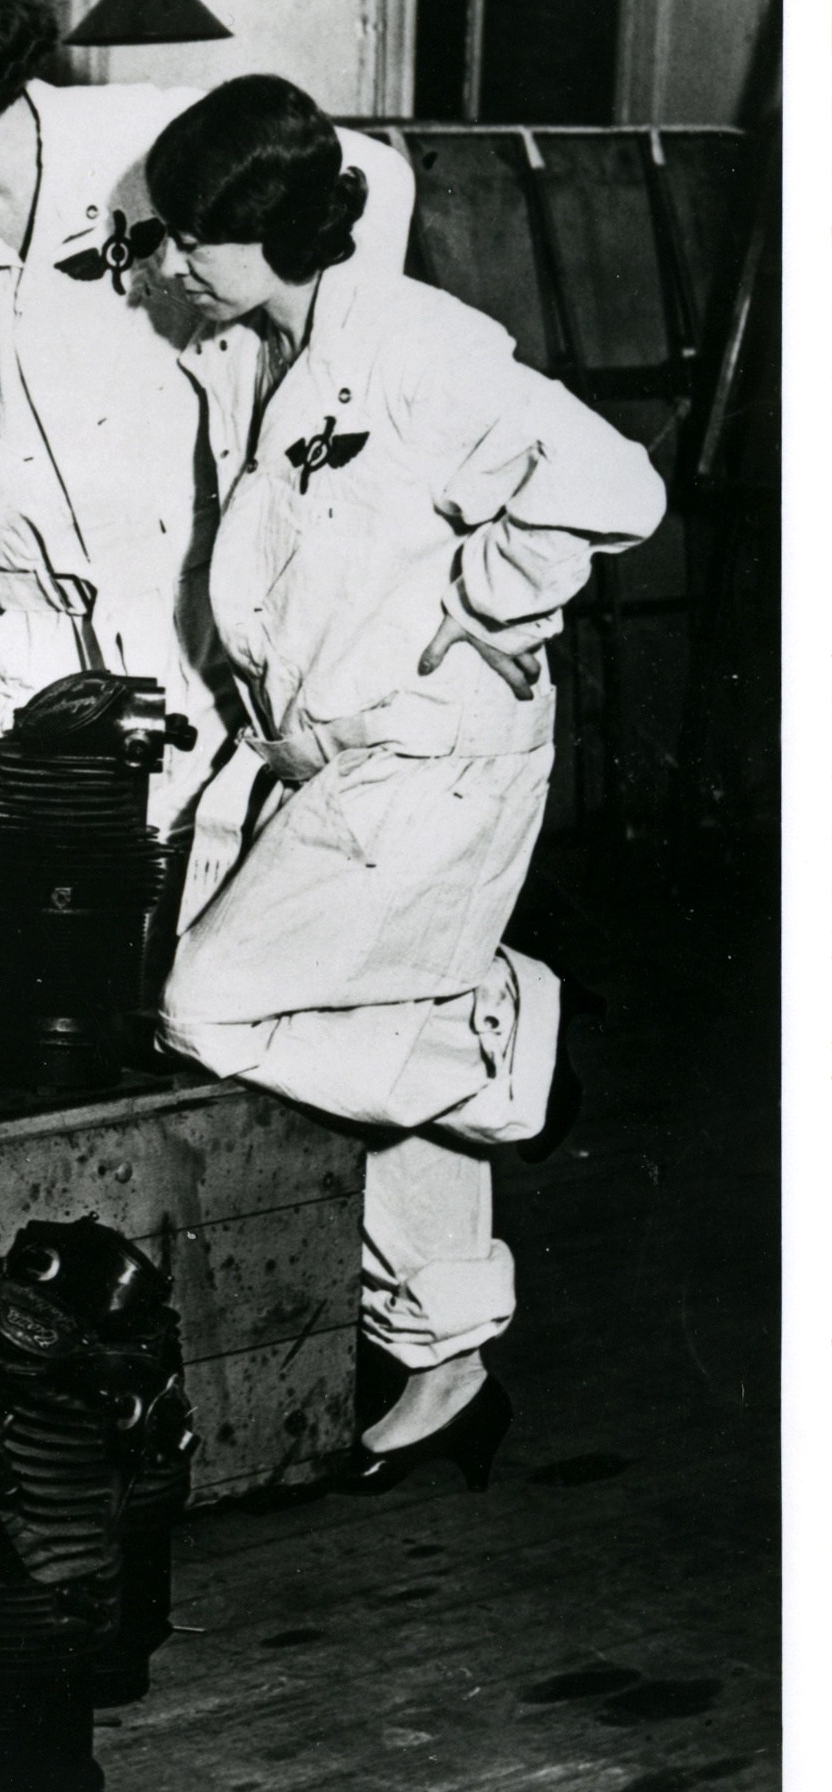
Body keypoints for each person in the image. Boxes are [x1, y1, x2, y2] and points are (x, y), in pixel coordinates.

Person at [147, 76, 664, 1488]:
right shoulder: (272, 351)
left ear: (261, 232)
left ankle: (504, 1039)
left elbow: (615, 488)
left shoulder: (420, 346)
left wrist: (487, 606)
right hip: (347, 759)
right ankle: (443, 1354)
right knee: (354, 1022)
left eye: (190, 235)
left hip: (435, 759)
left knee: (207, 1005)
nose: (171, 260)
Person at [0, 0, 415, 830]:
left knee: (222, 919)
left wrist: (310, 363)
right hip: (27, 653)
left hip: (204, 619)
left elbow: (376, 173)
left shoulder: (141, 145)